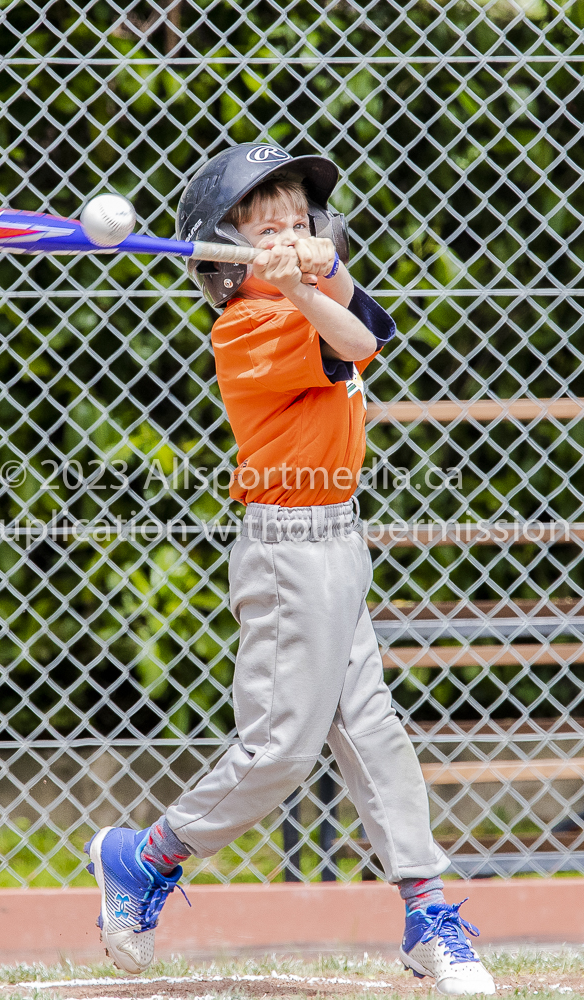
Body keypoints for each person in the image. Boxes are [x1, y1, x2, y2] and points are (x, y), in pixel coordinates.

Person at [84, 143, 496, 996]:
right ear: (224, 247)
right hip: (288, 547)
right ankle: (143, 857)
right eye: (260, 214)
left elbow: (369, 320)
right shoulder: (247, 328)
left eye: (295, 209)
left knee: (373, 734)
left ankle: (428, 917)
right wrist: (310, 284)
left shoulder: (308, 293)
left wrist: (322, 269)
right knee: (281, 748)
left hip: (341, 537)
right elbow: (356, 342)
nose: (285, 220)